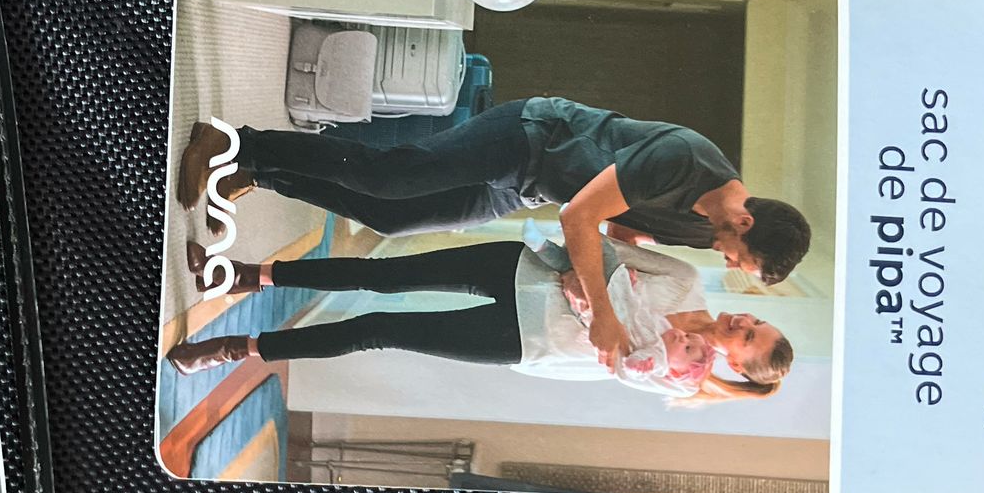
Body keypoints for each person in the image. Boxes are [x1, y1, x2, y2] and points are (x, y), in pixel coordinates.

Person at [173, 98, 814, 297]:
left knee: (391, 219)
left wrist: (600, 273)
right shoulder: (685, 158)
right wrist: (603, 308)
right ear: (745, 222)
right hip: (529, 138)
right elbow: (582, 214)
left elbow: (618, 226)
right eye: (741, 257)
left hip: (525, 187)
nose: (728, 261)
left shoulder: (706, 229)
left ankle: (262, 173)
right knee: (391, 176)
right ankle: (232, 140)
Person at [167, 236, 792, 403]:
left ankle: (235, 349)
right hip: (522, 268)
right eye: (754, 319)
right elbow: (602, 246)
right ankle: (247, 274)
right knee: (382, 275)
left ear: (737, 362)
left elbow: (620, 363)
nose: (740, 321)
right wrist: (583, 273)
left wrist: (606, 311)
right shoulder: (685, 278)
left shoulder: (679, 373)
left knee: (378, 328)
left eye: (747, 337)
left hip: (524, 338)